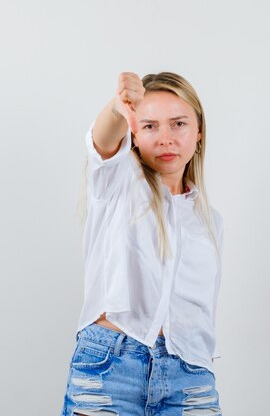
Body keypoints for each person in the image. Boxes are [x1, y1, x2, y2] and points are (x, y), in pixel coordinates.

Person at [60, 72, 225, 416]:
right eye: (150, 126)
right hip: (111, 369)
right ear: (134, 134)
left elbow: (202, 312)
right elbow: (101, 142)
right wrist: (118, 109)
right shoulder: (116, 185)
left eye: (178, 124)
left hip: (190, 378)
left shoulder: (209, 222)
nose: (165, 138)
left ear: (198, 134)